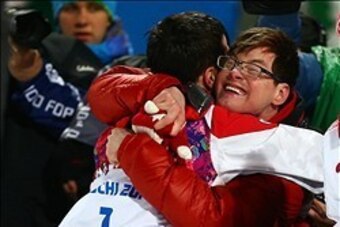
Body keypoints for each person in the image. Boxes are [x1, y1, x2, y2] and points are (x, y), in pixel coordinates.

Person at [88, 15, 324, 226]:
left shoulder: (284, 164)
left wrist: (130, 147)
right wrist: (165, 88)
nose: (235, 72)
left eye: (255, 69)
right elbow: (104, 89)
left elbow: (216, 219)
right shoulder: (174, 104)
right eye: (231, 62)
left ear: (280, 93)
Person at [4, 1, 133, 226]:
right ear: (56, 16)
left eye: (94, 8)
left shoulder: (138, 73)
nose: (82, 20)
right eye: (71, 8)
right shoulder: (28, 55)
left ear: (109, 17)